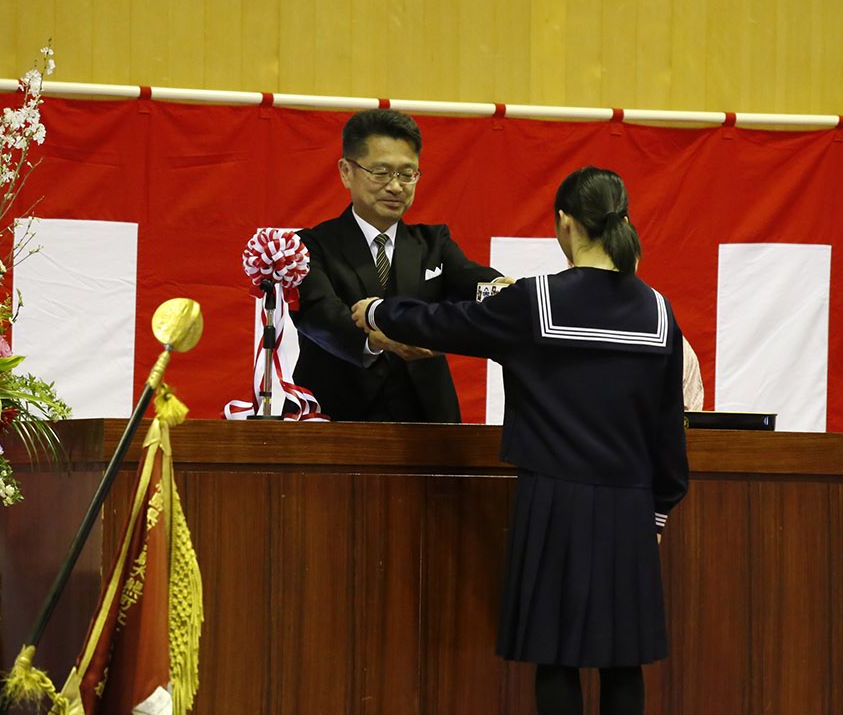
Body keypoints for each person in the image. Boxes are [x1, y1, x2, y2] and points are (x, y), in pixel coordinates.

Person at [351, 167, 689, 715]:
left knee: (556, 657)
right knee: (623, 660)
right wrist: (658, 512)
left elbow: (446, 323)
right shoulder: (657, 310)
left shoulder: (538, 302)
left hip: (553, 500)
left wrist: (378, 310)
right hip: (630, 504)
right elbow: (668, 428)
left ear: (565, 223)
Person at [290, 109, 501, 422]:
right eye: (381, 172)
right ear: (346, 171)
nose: (396, 186)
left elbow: (471, 279)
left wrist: (507, 289)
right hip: (338, 418)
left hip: (428, 421)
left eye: (407, 174)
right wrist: (377, 339)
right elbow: (320, 315)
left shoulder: (434, 243)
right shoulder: (311, 245)